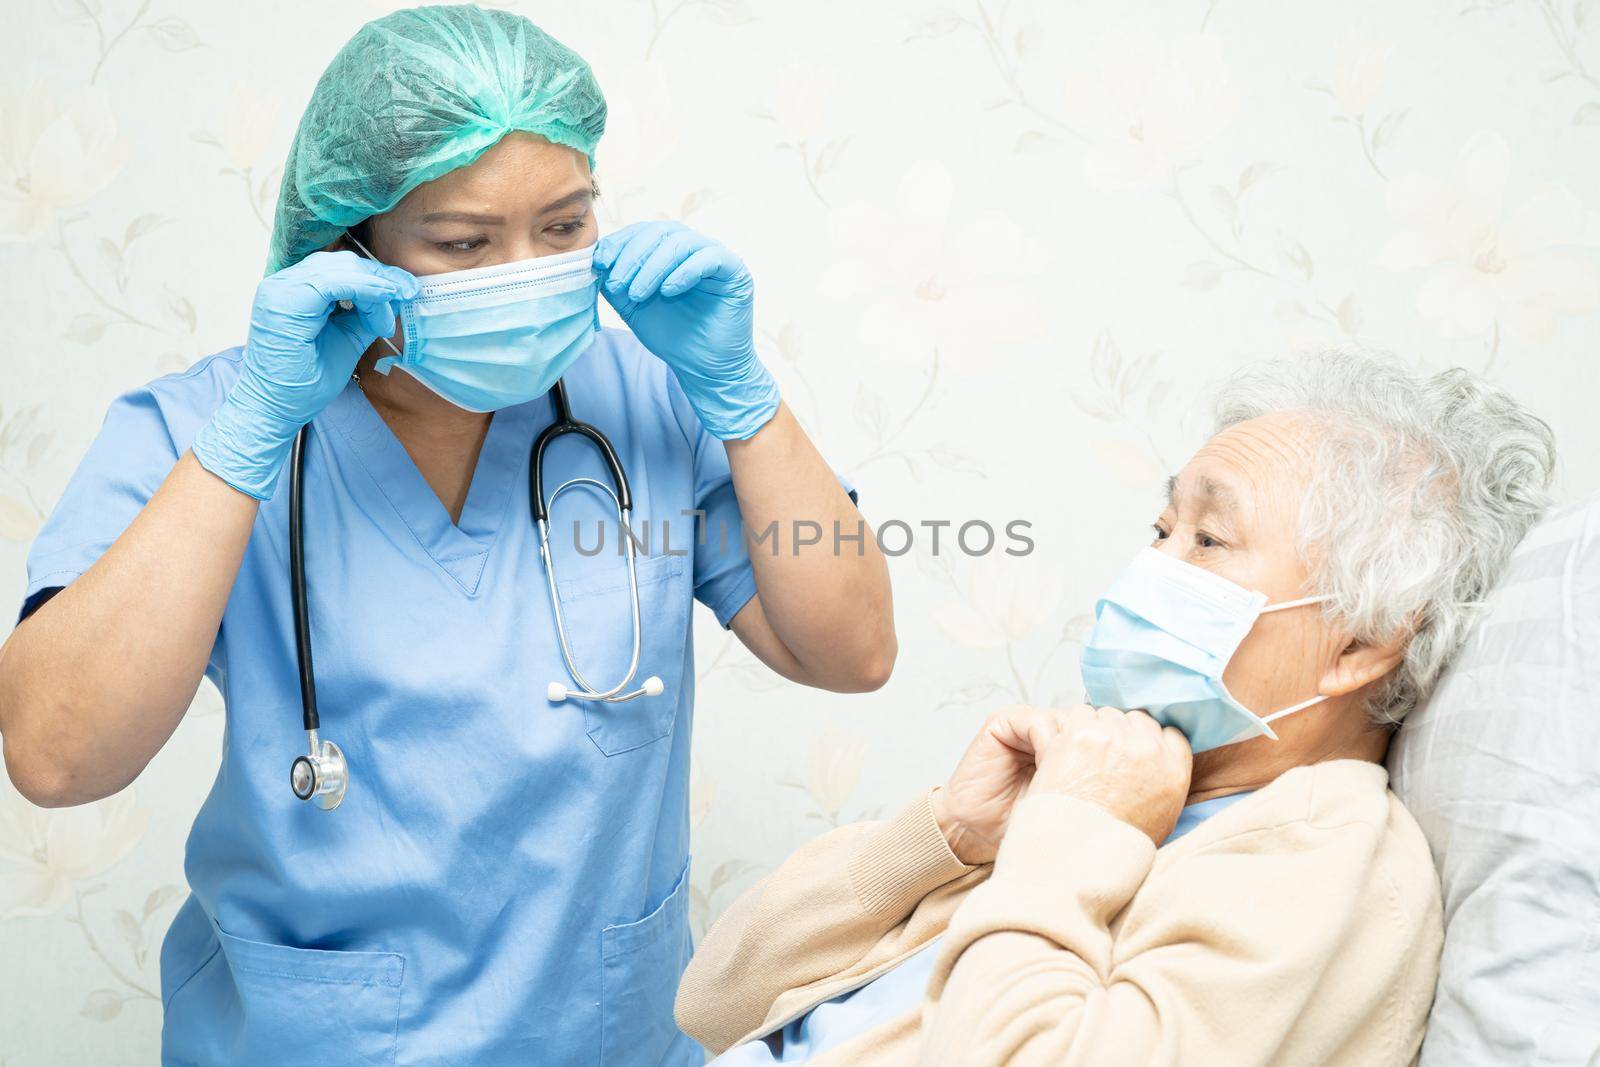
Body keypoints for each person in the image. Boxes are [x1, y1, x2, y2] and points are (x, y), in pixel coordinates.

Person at [0, 7, 893, 1064]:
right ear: (353, 239)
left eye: (563, 226)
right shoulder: (203, 430)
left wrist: (740, 394)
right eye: (465, 242)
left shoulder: (650, 399)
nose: (523, 269)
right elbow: (55, 757)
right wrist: (246, 444)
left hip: (604, 1035)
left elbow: (853, 652)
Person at [675, 351, 1556, 1066]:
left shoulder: (1325, 866)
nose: (1153, 569)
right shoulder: (1125, 791)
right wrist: (946, 836)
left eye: (1208, 540)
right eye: (1161, 528)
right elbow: (714, 1000)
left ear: (1361, 645)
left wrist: (1068, 837)